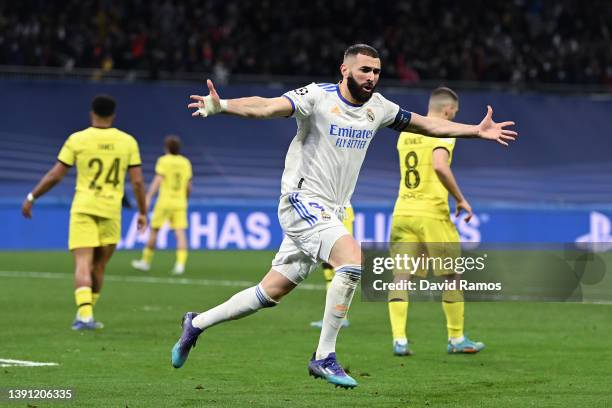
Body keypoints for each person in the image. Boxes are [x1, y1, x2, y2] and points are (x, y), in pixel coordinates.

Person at [171, 44, 516, 389]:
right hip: (301, 200)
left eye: (377, 71)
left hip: (331, 210)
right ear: (345, 70)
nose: (372, 77)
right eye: (365, 70)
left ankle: (197, 323)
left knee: (269, 293)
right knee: (352, 259)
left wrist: (475, 131)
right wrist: (224, 106)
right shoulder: (316, 96)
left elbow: (427, 125)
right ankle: (324, 356)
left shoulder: (379, 108)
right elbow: (267, 106)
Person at [21, 95, 147, 330]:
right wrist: (142, 212)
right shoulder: (128, 141)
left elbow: (55, 175)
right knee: (99, 267)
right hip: (111, 211)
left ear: (92, 114)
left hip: (84, 208)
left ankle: (85, 316)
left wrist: (32, 197)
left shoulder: (77, 139)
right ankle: (88, 314)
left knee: (82, 263)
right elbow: (138, 183)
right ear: (113, 116)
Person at [388, 87, 484, 356]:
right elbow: (440, 165)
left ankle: (399, 340)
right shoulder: (444, 129)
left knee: (401, 278)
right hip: (432, 213)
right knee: (452, 277)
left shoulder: (407, 132)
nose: (454, 115)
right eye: (455, 112)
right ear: (448, 110)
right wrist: (460, 199)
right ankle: (456, 339)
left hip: (403, 211)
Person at [132, 135, 193, 275]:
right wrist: (185, 199)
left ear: (167, 148)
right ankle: (180, 265)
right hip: (180, 202)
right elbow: (189, 186)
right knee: (180, 233)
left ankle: (146, 262)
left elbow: (158, 180)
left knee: (154, 231)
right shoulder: (185, 162)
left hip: (164, 201)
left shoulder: (163, 161)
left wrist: (148, 196)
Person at [310, 203, 354, 329]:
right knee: (330, 272)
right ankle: (337, 317)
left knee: (339, 270)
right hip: (330, 214)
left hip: (337, 214)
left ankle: (339, 317)